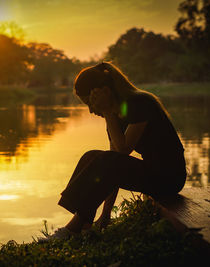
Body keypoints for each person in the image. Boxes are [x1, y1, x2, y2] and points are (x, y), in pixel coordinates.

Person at [41, 62, 186, 241]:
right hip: (153, 172)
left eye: (90, 102)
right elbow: (112, 166)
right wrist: (106, 214)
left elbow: (123, 151)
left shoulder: (139, 103)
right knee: (92, 156)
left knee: (107, 159)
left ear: (105, 92)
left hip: (170, 178)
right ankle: (85, 223)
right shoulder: (115, 114)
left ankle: (74, 228)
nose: (91, 110)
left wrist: (107, 111)